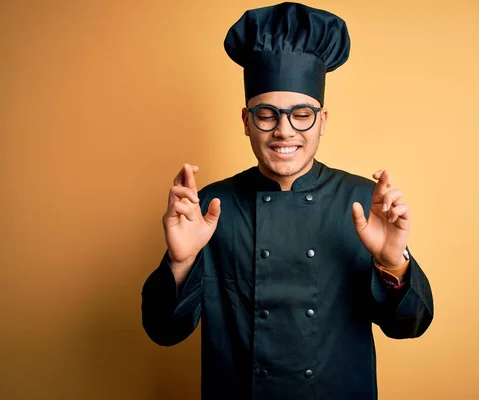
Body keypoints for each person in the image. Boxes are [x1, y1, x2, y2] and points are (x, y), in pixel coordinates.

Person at [141, 2, 434, 399]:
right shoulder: (208, 208)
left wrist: (391, 263)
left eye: (301, 114)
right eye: (267, 114)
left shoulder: (365, 204)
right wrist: (180, 263)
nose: (284, 131)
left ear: (323, 120)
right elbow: (164, 332)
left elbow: (409, 326)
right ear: (246, 121)